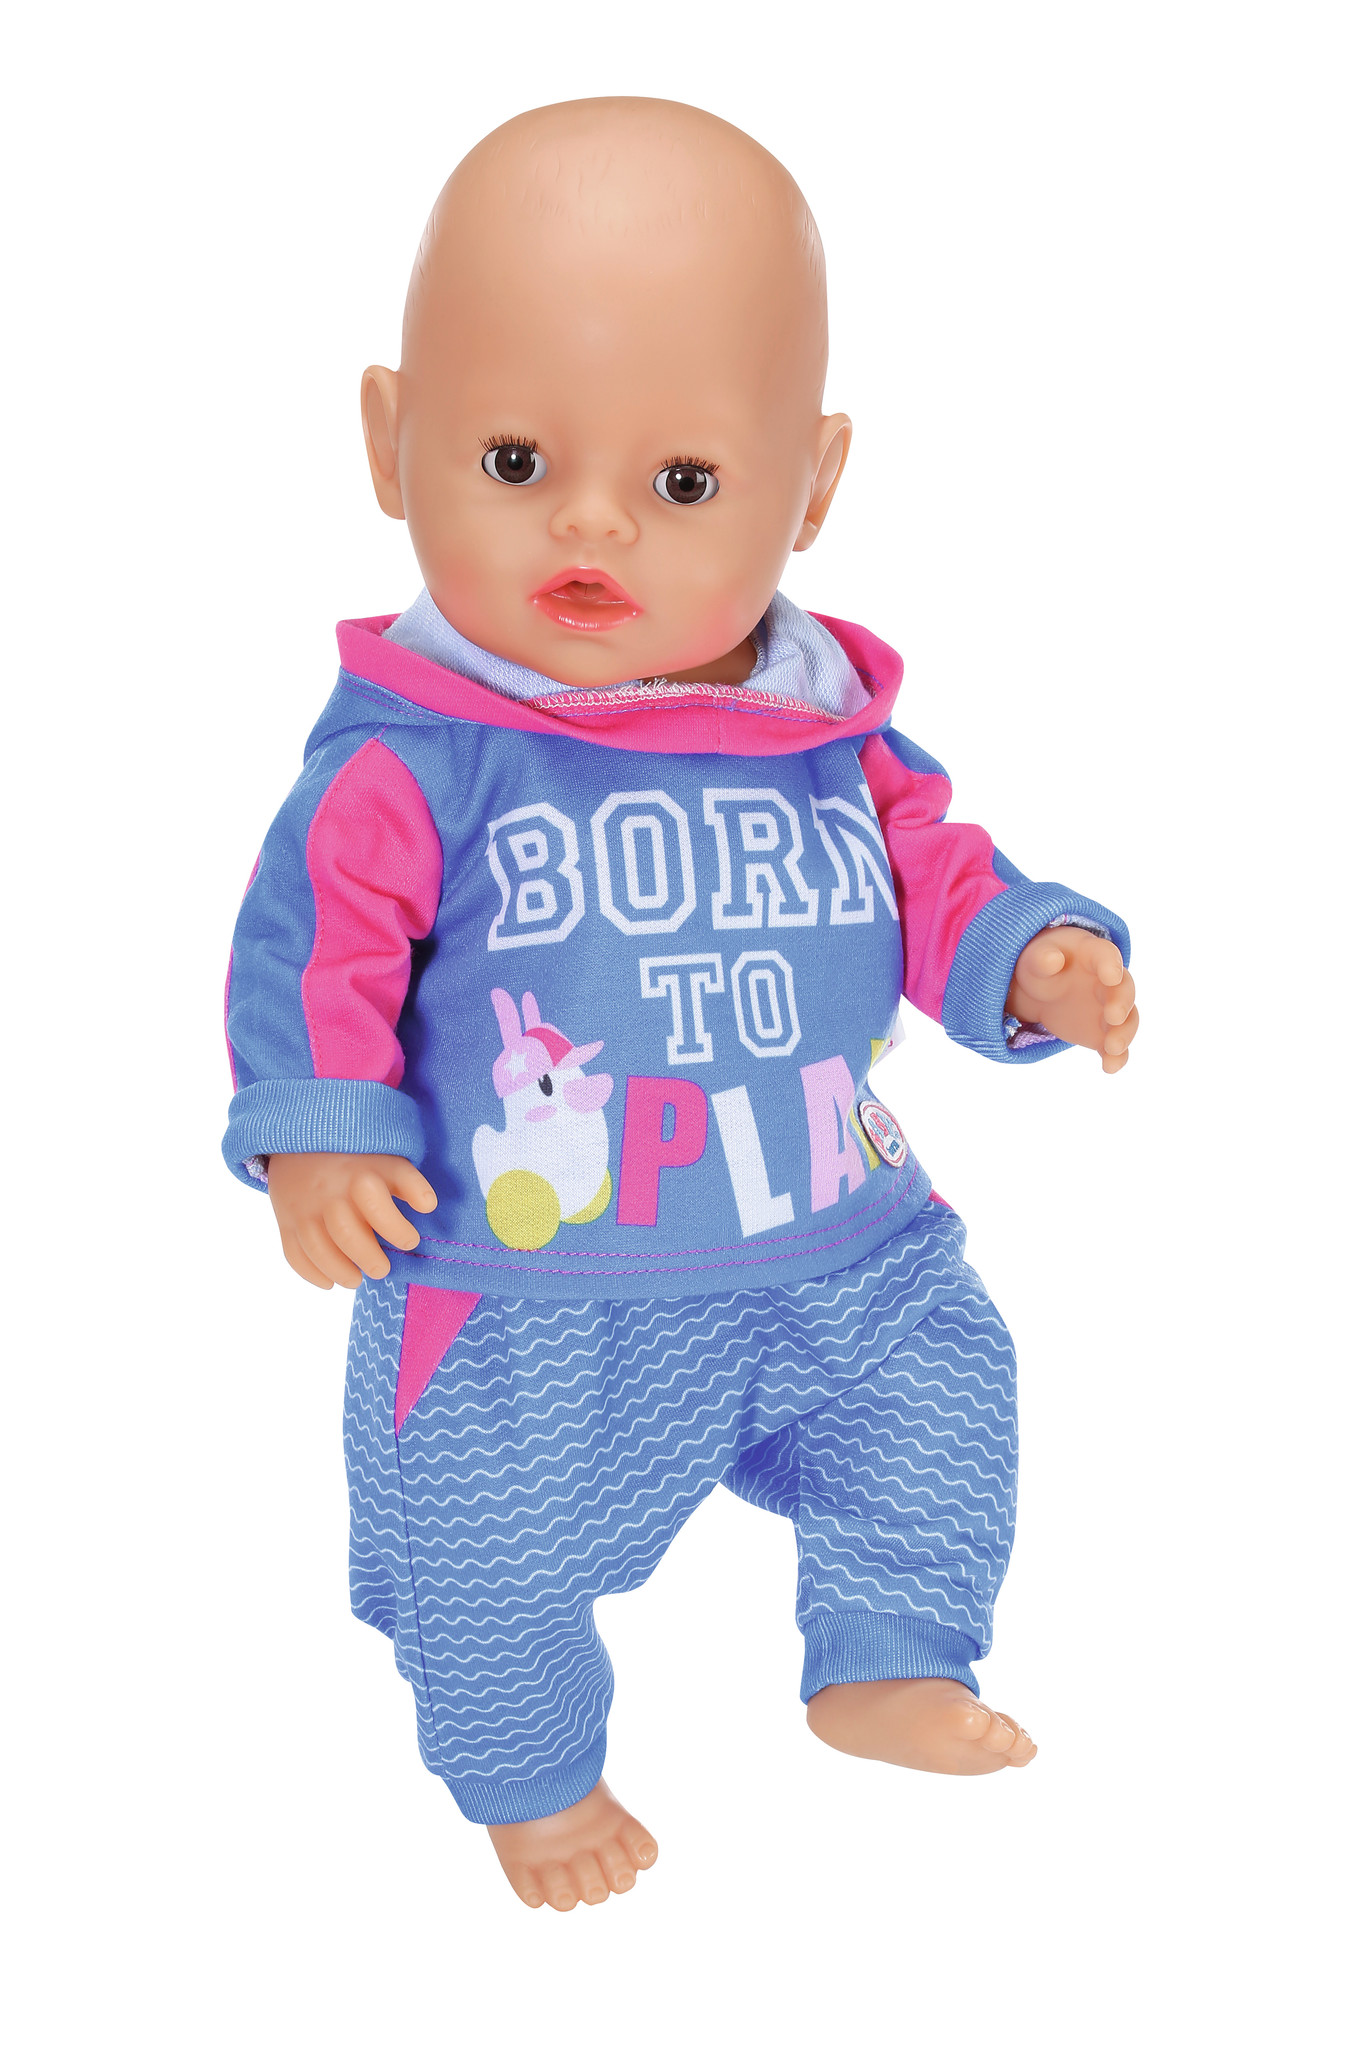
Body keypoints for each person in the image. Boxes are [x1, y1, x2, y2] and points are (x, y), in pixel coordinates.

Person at [223, 97, 1138, 1911]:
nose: (590, 521)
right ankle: (532, 1781)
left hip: (836, 1245)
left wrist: (1028, 956)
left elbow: (934, 874)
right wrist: (322, 1136)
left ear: (812, 486)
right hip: (528, 1287)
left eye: (687, 485)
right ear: (391, 444)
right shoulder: (418, 759)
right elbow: (315, 952)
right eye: (511, 459)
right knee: (482, 1557)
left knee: (949, 1391)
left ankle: (889, 1649)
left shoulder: (831, 737)